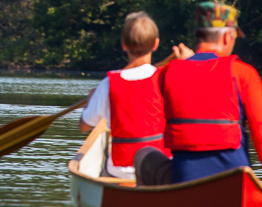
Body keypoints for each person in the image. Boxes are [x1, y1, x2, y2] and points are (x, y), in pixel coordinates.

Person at [151, 2, 262, 207]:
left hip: (185, 182)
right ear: (226, 37)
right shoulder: (243, 73)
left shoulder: (166, 74)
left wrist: (183, 62)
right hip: (234, 188)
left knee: (145, 157)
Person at [78, 11, 184, 183]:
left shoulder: (108, 83)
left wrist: (90, 101)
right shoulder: (166, 78)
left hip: (120, 171)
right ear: (156, 44)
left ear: (123, 44)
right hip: (160, 169)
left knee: (103, 168)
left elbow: (84, 126)